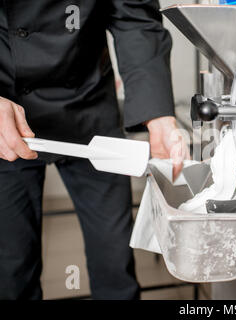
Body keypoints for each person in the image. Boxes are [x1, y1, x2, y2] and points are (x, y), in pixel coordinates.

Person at [0, 0, 188, 299]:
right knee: (11, 268)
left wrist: (158, 115)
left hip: (89, 107)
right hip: (5, 111)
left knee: (114, 258)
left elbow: (135, 19)